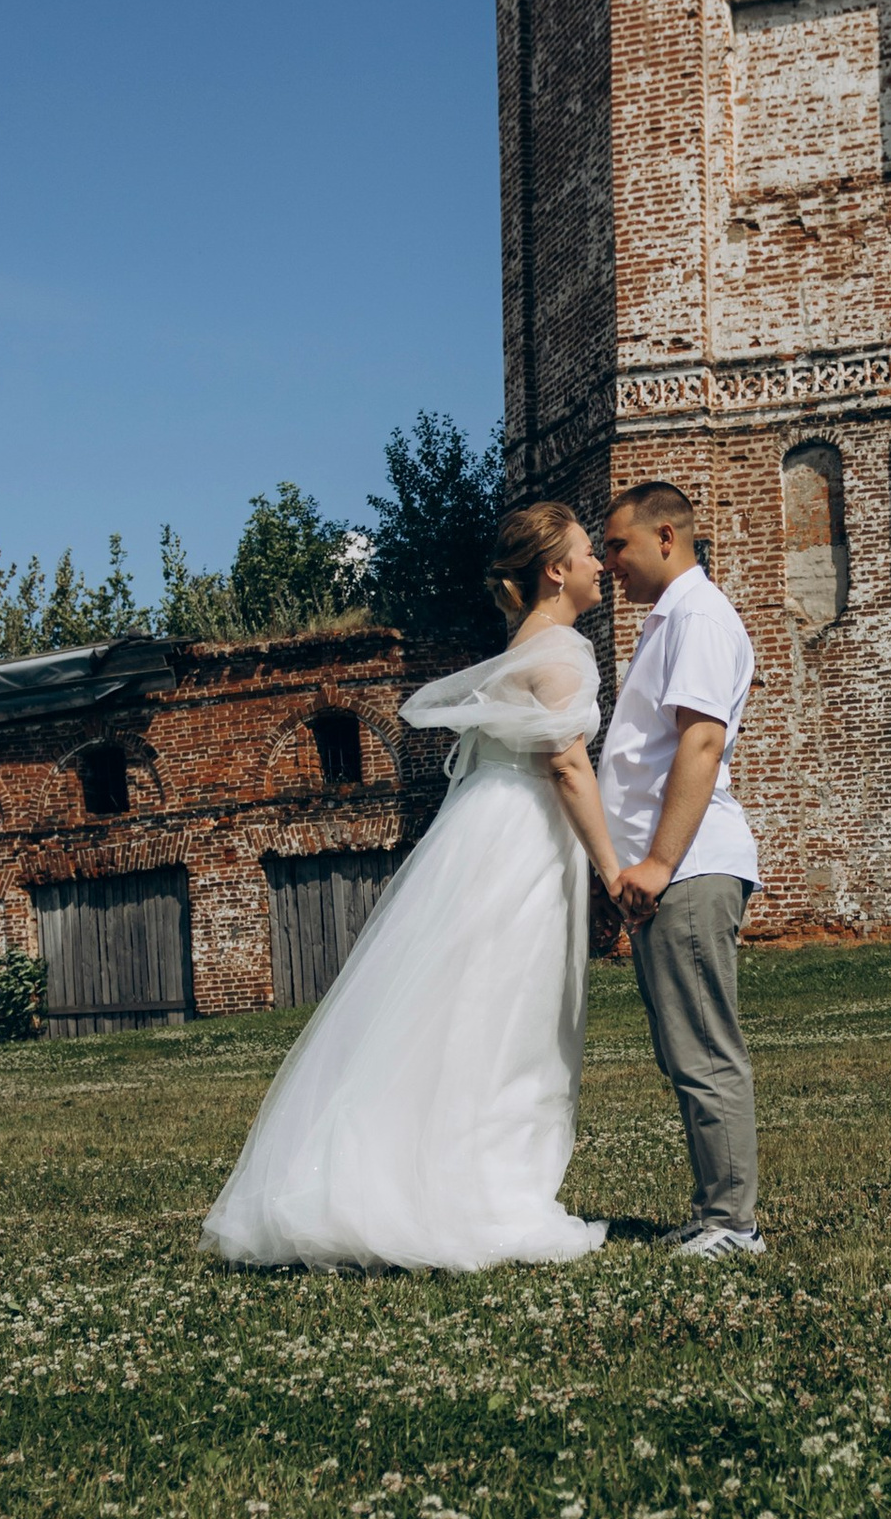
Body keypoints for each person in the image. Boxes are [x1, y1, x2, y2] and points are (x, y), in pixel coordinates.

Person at [202, 502, 628, 1273]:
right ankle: (483, 1195)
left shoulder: (521, 646)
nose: (600, 562)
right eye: (586, 551)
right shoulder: (562, 650)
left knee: (466, 1006)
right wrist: (613, 870)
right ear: (555, 570)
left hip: (485, 831)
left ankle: (432, 1171)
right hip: (523, 844)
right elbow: (568, 766)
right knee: (511, 1016)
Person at [599, 483, 764, 1259]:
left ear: (665, 537)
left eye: (618, 546)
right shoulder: (672, 618)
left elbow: (701, 741)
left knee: (702, 1045)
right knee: (683, 1046)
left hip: (689, 866)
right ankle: (714, 1212)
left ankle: (733, 1224)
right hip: (672, 869)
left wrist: (659, 862)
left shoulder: (697, 617)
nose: (610, 563)